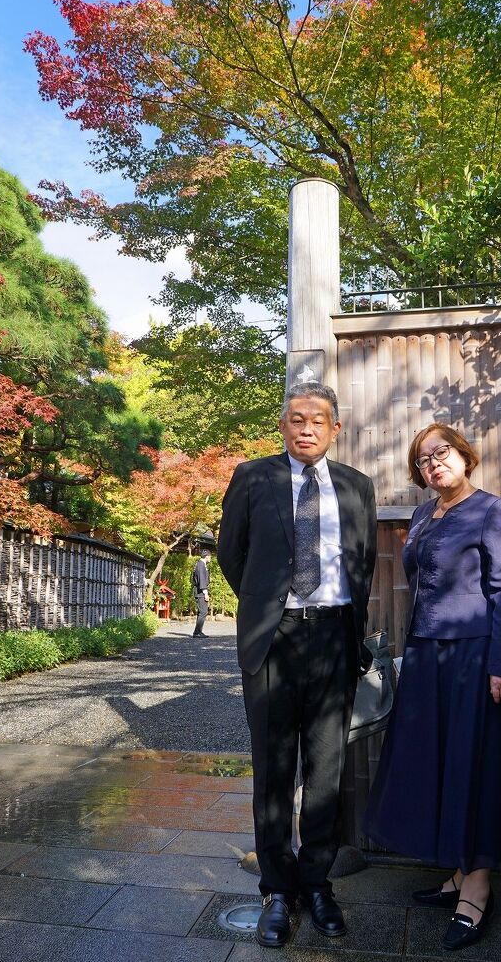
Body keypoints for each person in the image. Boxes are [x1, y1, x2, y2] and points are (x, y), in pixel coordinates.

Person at [217, 382, 377, 948]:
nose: (305, 428)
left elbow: (364, 564)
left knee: (327, 766)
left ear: (336, 428)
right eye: (295, 419)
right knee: (274, 765)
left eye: (317, 420)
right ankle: (276, 889)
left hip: (334, 636)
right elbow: (229, 553)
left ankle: (317, 884)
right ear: (282, 426)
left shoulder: (358, 487)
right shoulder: (253, 477)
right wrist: (265, 602)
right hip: (274, 641)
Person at [363, 423, 501, 952]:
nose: (434, 463)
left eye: (442, 452)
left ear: (464, 455)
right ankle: (457, 871)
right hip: (427, 655)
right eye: (424, 459)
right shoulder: (420, 515)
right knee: (437, 763)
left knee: (474, 765)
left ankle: (477, 887)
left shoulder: (491, 510)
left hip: (475, 658)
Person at [191, 550, 211, 638]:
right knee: (203, 612)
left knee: (201, 612)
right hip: (200, 592)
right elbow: (202, 580)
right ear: (206, 556)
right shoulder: (201, 565)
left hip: (199, 591)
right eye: (210, 557)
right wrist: (205, 593)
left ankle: (198, 632)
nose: (210, 558)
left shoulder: (199, 564)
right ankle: (197, 632)